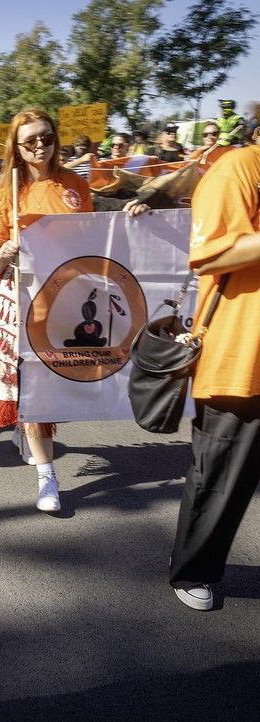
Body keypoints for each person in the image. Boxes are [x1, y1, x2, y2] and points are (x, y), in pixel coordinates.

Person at [0, 108, 93, 514]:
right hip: (22, 296)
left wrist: (136, 213)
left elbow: (95, 240)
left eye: (45, 136)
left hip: (65, 298)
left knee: (54, 381)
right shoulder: (3, 193)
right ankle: (48, 477)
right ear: (16, 146)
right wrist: (4, 252)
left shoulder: (75, 185)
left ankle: (27, 429)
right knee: (33, 386)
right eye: (29, 140)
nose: (39, 145)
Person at [168, 126, 260, 611]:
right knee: (220, 477)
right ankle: (194, 568)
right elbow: (209, 256)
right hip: (239, 356)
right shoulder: (238, 169)